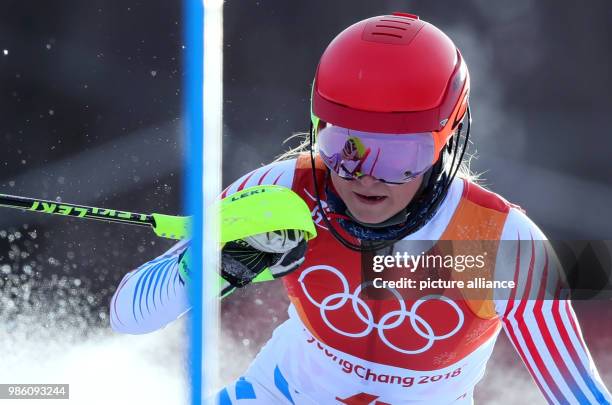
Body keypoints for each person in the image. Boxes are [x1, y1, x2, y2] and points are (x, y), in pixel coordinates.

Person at [110, 13, 611, 404]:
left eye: (400, 155)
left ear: (445, 143)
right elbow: (128, 315)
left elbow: (579, 394)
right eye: (345, 145)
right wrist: (210, 266)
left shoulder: (499, 247)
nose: (367, 174)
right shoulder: (285, 191)